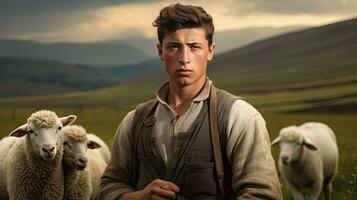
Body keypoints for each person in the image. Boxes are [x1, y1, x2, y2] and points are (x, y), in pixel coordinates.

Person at [96, 3, 282, 200]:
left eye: (194, 47)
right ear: (160, 51)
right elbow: (108, 187)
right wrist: (138, 197)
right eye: (174, 47)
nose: (184, 58)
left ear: (210, 51)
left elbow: (263, 195)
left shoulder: (240, 118)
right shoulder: (135, 121)